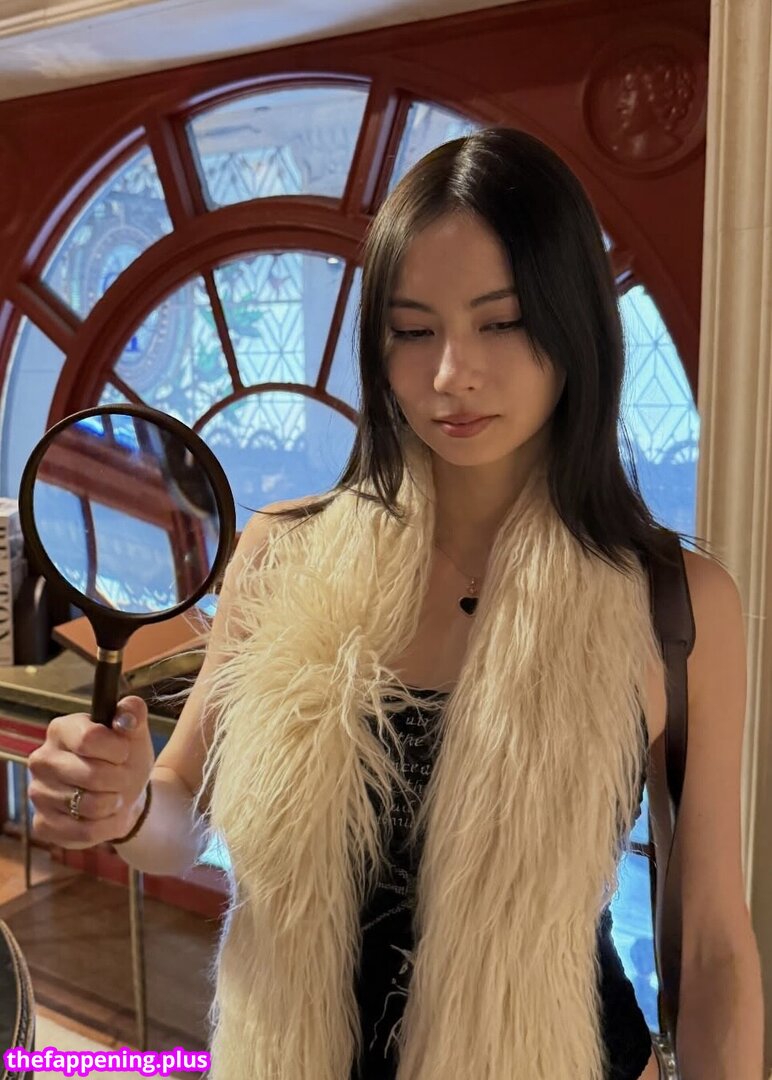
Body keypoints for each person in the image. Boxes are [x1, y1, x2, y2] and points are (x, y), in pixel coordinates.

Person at [28, 128, 761, 1080]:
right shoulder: (286, 556)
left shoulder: (674, 603)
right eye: (414, 331)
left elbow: (713, 950)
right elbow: (180, 816)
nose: (451, 373)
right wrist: (122, 803)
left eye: (501, 322)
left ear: (574, 322)